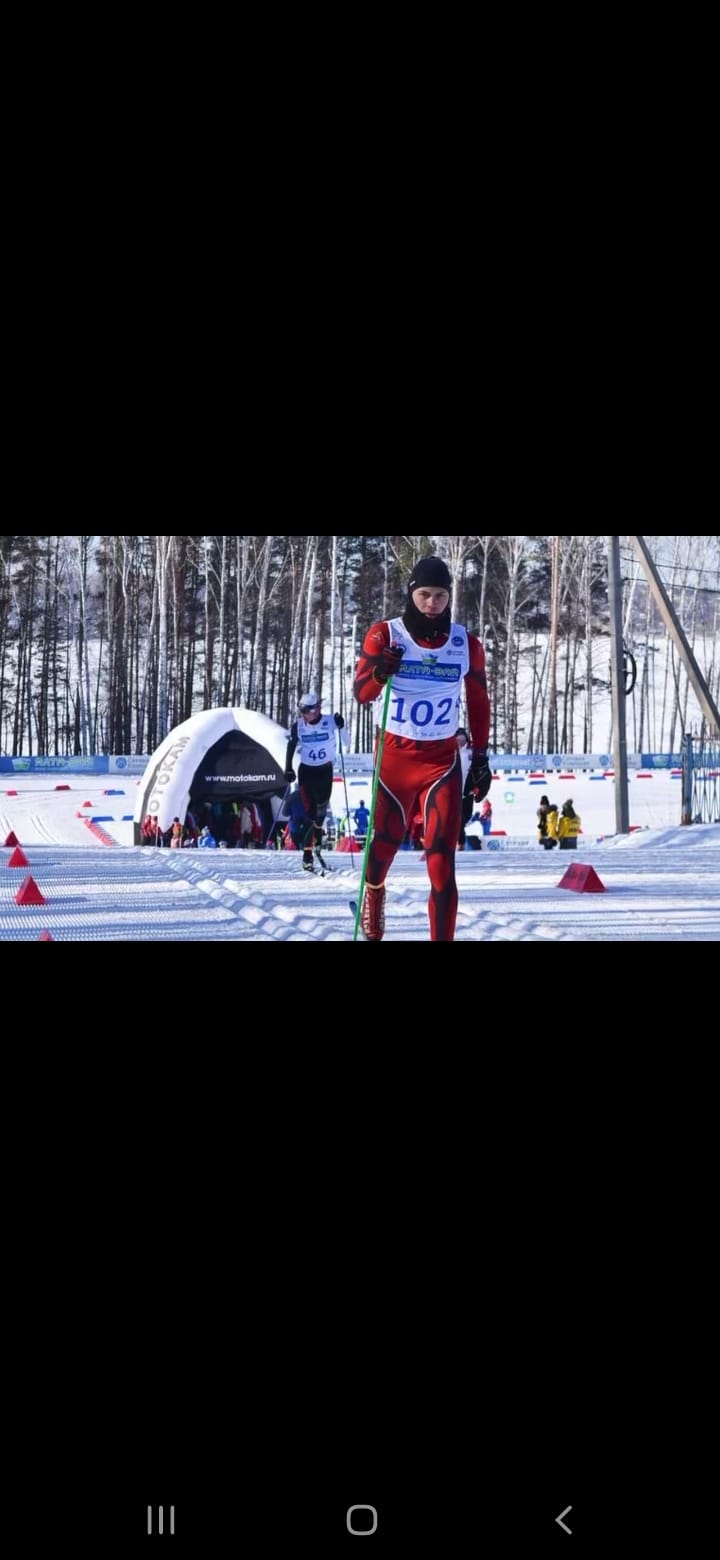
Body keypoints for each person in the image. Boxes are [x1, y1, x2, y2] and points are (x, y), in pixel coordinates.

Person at [353, 555, 491, 941]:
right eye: (425, 595)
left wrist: (480, 757)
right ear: (411, 594)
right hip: (394, 761)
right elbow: (362, 693)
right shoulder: (386, 635)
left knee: (442, 864)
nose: (432, 603)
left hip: (441, 763)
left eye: (441, 596)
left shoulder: (466, 643)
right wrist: (381, 670)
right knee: (381, 851)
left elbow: (479, 703)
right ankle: (375, 895)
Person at [284, 691, 345, 871]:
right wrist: (287, 768)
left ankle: (317, 842)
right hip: (307, 773)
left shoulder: (329, 721)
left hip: (325, 772)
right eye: (305, 711)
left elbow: (346, 741)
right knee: (310, 814)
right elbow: (291, 745)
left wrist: (341, 726)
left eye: (312, 710)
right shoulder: (298, 726)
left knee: (320, 815)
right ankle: (307, 855)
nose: (308, 714)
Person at [456, 726, 474, 847]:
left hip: (468, 790)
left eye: (462, 738)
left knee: (466, 815)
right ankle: (460, 841)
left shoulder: (471, 752)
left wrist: (476, 785)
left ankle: (459, 839)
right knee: (459, 817)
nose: (460, 741)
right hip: (454, 790)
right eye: (457, 738)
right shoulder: (451, 752)